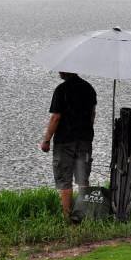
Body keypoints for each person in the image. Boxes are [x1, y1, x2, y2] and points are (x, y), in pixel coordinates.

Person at [39, 72, 97, 218]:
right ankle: (84, 215)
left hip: (65, 141)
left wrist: (46, 140)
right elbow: (92, 115)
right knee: (83, 179)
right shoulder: (89, 89)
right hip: (85, 140)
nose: (59, 72)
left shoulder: (61, 90)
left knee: (65, 180)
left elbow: (56, 117)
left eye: (61, 69)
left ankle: (67, 218)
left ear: (66, 70)